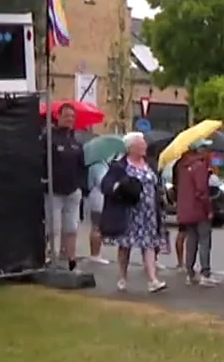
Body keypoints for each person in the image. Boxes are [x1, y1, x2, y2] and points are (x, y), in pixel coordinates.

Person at [95, 131, 169, 294]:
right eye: (140, 144)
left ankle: (152, 280)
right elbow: (106, 185)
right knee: (125, 245)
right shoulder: (120, 165)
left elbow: (156, 184)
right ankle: (122, 277)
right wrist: (119, 186)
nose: (144, 146)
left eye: (144, 143)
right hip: (128, 211)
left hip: (148, 212)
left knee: (149, 244)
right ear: (130, 148)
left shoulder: (149, 164)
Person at [42, 103, 85, 270]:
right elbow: (41, 161)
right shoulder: (49, 138)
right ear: (58, 117)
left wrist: (81, 186)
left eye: (72, 116)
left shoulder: (75, 141)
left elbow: (82, 165)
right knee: (53, 227)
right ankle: (49, 257)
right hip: (53, 191)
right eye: (66, 116)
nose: (69, 119)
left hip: (72, 191)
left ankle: (70, 259)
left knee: (71, 227)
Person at [173, 143, 216, 286]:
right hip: (198, 209)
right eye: (206, 149)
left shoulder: (182, 165)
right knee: (204, 241)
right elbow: (201, 190)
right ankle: (205, 273)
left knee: (191, 240)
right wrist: (209, 209)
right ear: (200, 150)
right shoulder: (199, 166)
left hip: (186, 208)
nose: (208, 152)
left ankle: (190, 273)